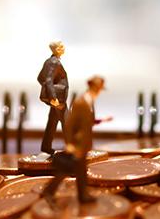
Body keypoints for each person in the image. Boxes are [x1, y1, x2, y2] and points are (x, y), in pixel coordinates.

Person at [42, 76, 111, 205]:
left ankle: (82, 195)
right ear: (94, 88)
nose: (100, 92)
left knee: (81, 171)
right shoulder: (81, 102)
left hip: (83, 145)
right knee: (66, 171)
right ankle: (49, 191)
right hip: (76, 146)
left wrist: (103, 120)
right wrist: (70, 144)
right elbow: (69, 124)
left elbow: (87, 122)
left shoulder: (89, 101)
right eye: (100, 89)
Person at [37, 41, 69, 154]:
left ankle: (46, 147)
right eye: (61, 46)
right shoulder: (54, 62)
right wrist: (53, 96)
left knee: (52, 123)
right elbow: (48, 79)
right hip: (58, 100)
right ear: (57, 49)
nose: (64, 47)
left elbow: (40, 78)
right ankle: (73, 149)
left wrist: (49, 90)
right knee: (67, 123)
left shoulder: (49, 61)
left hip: (56, 99)